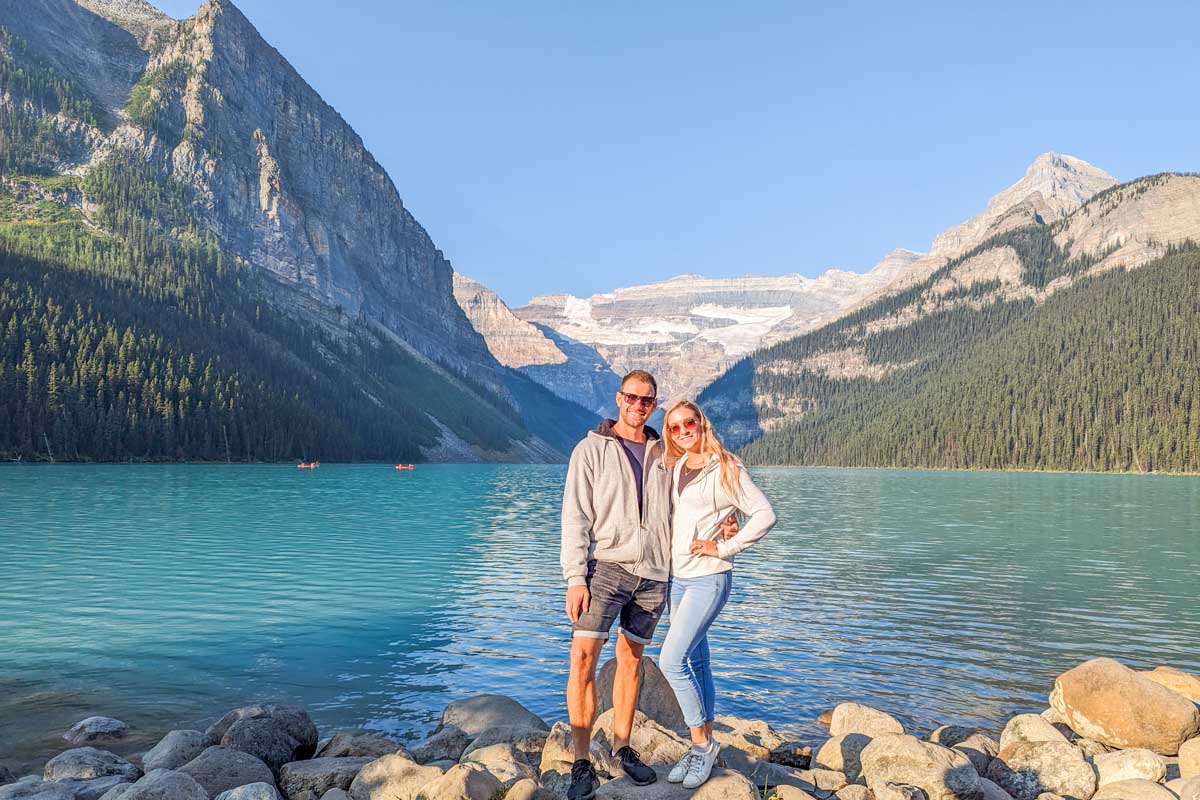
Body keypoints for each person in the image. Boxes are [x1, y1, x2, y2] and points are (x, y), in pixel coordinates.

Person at [560, 370, 735, 800]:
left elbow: (697, 498)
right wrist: (574, 578)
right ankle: (581, 761)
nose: (639, 406)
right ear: (619, 399)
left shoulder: (666, 453)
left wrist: (725, 521)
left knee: (631, 661)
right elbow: (575, 518)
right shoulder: (590, 450)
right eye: (632, 398)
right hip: (605, 569)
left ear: (653, 405)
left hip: (655, 574)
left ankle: (622, 747)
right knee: (583, 658)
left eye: (647, 400)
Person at [658, 399, 777, 789]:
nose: (681, 432)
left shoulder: (725, 466)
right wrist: (723, 524)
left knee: (671, 661)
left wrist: (724, 547)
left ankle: (701, 746)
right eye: (673, 428)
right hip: (679, 578)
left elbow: (764, 514)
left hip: (709, 577)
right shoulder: (676, 466)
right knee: (697, 661)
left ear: (701, 423)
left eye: (688, 424)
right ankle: (705, 740)